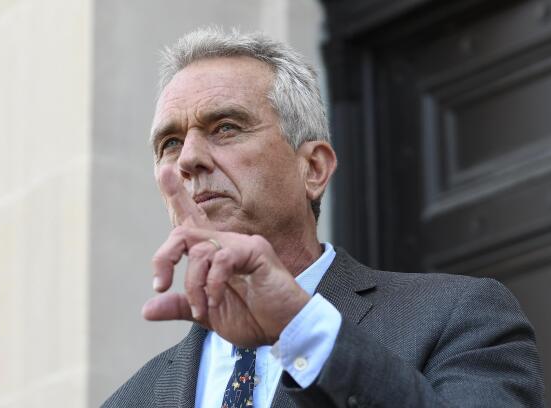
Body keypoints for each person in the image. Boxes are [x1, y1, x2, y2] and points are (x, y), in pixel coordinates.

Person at [103, 27, 545, 408]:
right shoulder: (130, 399)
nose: (190, 159)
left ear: (313, 168)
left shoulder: (456, 318)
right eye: (171, 143)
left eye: (225, 128)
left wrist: (299, 328)